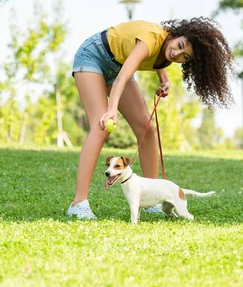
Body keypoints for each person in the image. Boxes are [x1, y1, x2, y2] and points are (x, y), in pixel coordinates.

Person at [67, 17, 234, 219]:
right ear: (176, 34)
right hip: (93, 56)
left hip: (118, 65)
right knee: (101, 127)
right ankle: (78, 204)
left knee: (147, 129)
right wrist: (111, 109)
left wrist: (163, 78)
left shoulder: (167, 52)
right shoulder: (151, 37)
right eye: (180, 46)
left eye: (185, 57)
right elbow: (125, 74)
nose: (177, 54)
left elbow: (158, 57)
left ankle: (152, 199)